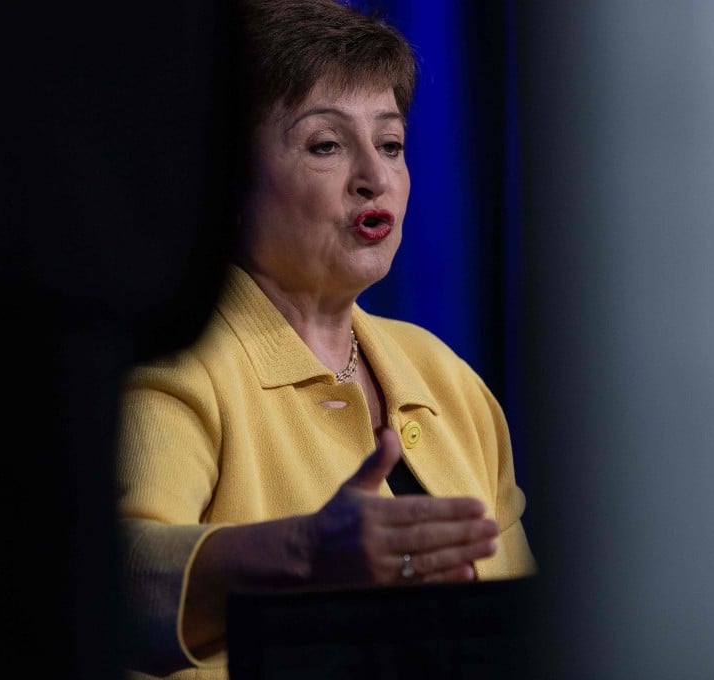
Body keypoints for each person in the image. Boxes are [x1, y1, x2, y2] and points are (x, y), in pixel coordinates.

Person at [117, 1, 537, 677]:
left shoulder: (447, 380)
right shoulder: (172, 368)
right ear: (227, 179)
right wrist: (302, 555)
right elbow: (109, 585)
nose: (375, 176)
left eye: (391, 144)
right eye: (326, 145)